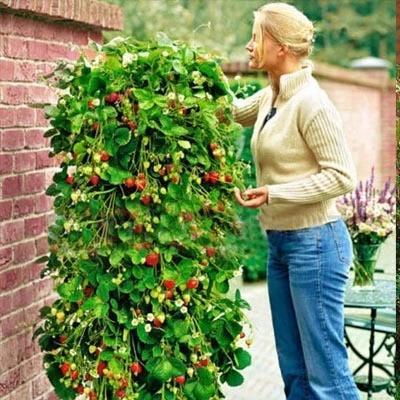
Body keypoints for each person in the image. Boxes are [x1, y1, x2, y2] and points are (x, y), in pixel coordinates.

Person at [232, 3, 360, 400]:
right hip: (282, 244)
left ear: (280, 47)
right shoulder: (272, 95)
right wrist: (189, 80)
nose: (250, 45)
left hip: (317, 245)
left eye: (257, 37)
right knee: (296, 376)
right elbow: (233, 112)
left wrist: (274, 192)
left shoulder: (311, 103)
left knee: (327, 379)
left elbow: (342, 176)